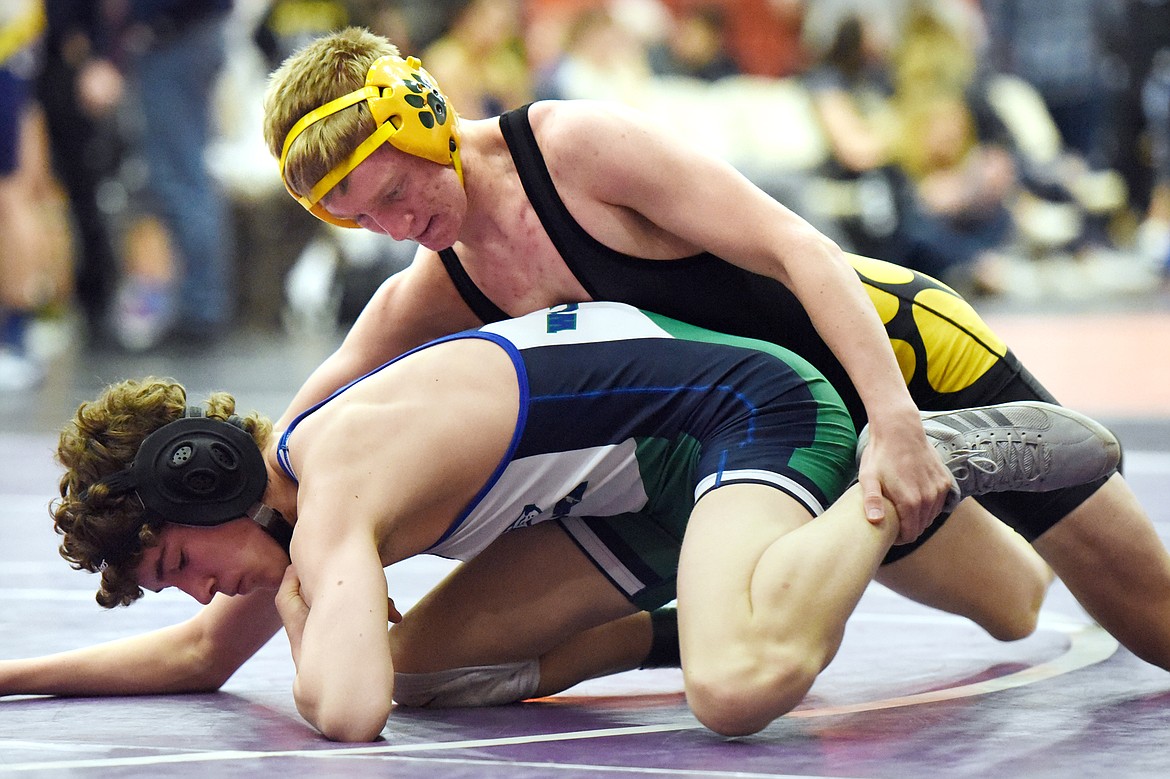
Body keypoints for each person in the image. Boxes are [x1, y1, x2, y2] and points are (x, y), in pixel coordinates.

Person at [259, 27, 1170, 673]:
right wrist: (306, 550)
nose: (394, 226)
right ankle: (967, 469)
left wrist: (895, 420)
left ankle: (976, 445)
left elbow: (799, 248)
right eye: (360, 217)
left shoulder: (577, 150)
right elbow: (303, 424)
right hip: (800, 433)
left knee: (1154, 620)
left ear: (420, 114)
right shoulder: (436, 281)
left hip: (897, 347)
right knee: (1015, 610)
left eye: (391, 190)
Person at [3, 302, 1118, 742]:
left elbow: (346, 709)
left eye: (178, 560)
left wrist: (303, 599)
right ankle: (715, 596)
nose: (200, 589)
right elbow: (204, 657)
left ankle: (929, 460)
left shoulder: (330, 476)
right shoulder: (280, 511)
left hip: (741, 411)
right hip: (636, 485)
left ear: (206, 486)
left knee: (738, 691)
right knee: (1019, 605)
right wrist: (13, 675)